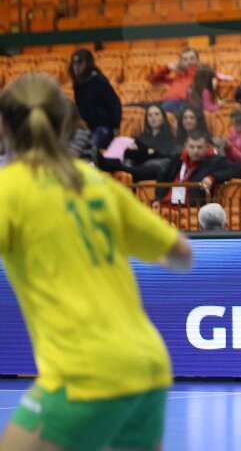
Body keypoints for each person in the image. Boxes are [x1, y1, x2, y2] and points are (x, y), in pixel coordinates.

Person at [0, 73, 193, 451]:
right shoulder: (96, 183)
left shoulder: (9, 189)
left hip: (84, 370)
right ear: (66, 123)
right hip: (148, 363)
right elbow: (182, 254)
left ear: (4, 125)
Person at [156, 131, 241, 207]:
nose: (195, 151)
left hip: (191, 210)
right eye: (192, 147)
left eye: (199, 147)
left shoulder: (215, 161)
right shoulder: (177, 159)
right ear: (186, 146)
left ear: (207, 147)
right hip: (166, 205)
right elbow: (163, 178)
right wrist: (158, 199)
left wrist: (212, 177)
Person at [69, 49, 121, 151]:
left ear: (88, 64)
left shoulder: (99, 81)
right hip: (86, 128)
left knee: (91, 148)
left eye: (80, 63)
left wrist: (116, 126)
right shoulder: (77, 84)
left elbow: (114, 104)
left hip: (103, 127)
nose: (76, 67)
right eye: (74, 63)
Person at [123, 104, 181, 182]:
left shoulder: (169, 137)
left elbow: (163, 156)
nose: (153, 117)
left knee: (151, 164)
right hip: (139, 167)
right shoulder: (142, 137)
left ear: (163, 117)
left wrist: (141, 152)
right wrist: (148, 151)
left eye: (156, 114)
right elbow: (127, 153)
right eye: (149, 115)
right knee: (128, 164)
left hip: (155, 170)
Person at [149, 47, 200, 113]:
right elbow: (153, 80)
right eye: (185, 59)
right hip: (167, 103)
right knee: (149, 109)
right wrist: (167, 68)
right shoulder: (175, 79)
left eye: (192, 58)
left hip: (185, 104)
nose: (189, 61)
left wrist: (192, 69)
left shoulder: (201, 76)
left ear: (197, 61)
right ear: (180, 63)